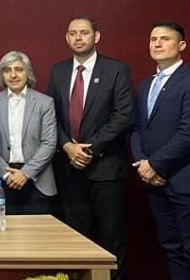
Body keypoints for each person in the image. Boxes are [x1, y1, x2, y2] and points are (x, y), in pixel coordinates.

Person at [47, 16, 133, 280]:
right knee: (75, 237)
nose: (78, 37)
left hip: (106, 169)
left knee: (112, 237)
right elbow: (51, 116)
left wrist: (88, 149)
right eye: (73, 33)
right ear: (66, 38)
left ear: (96, 37)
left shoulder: (116, 69)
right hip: (69, 169)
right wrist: (66, 146)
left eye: (84, 32)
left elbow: (123, 116)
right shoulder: (57, 71)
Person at [131, 21, 190, 279]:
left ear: (181, 45)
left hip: (184, 181)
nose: (158, 44)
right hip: (153, 182)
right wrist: (143, 163)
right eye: (153, 39)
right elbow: (137, 128)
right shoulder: (145, 84)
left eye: (165, 39)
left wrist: (155, 164)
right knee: (171, 248)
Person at [0, 51, 57, 215]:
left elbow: (49, 143)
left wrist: (25, 173)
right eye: (7, 70)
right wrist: (5, 174)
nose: (13, 75)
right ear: (2, 75)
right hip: (2, 181)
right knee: (2, 230)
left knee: (38, 231)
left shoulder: (45, 102)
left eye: (19, 69)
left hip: (38, 180)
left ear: (28, 73)